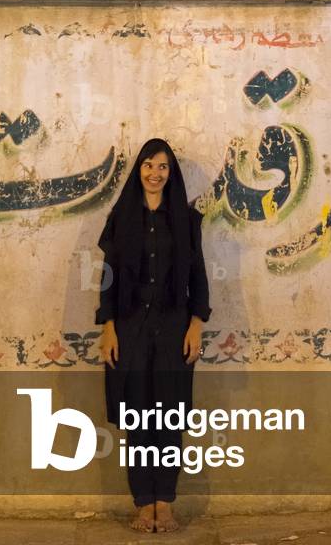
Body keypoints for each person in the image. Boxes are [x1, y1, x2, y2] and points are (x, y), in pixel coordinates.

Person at [95, 138, 212, 533]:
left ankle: (166, 501)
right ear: (138, 170)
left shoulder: (185, 219)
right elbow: (108, 276)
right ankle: (144, 503)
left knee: (168, 419)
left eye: (163, 167)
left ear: (171, 173)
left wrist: (197, 324)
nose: (155, 174)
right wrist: (108, 327)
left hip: (173, 331)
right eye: (148, 165)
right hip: (129, 331)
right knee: (139, 420)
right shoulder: (122, 217)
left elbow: (197, 274)